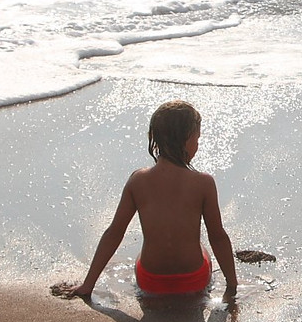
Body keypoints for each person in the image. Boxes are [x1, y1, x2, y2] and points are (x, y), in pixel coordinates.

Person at [58, 100, 237, 300]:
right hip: (193, 279)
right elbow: (218, 236)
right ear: (187, 139)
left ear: (155, 139)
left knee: (140, 257)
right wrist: (232, 285)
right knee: (202, 248)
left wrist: (88, 284)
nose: (198, 145)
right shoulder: (203, 182)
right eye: (197, 139)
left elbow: (114, 233)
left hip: (150, 280)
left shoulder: (138, 180)